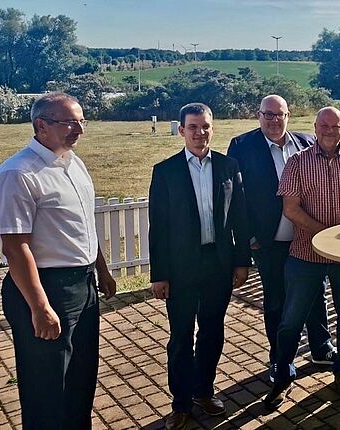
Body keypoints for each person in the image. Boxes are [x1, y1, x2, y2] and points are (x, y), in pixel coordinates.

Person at [0, 92, 117, 430]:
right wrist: (40, 306)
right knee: (46, 386)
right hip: (46, 288)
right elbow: (16, 248)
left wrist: (100, 269)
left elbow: (84, 224)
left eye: (82, 121)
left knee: (80, 376)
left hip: (83, 284)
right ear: (40, 125)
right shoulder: (19, 174)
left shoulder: (73, 163)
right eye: (69, 122)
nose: (79, 130)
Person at [263, 107, 340, 409]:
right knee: (290, 321)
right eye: (324, 125)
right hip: (305, 254)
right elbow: (291, 208)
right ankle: (283, 375)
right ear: (315, 127)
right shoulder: (297, 162)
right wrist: (325, 235)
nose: (329, 130)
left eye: (336, 125)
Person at [148, 103, 251, 430]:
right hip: (180, 270)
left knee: (211, 332)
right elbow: (158, 227)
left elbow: (240, 218)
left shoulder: (229, 166)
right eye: (192, 127)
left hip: (218, 265)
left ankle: (204, 391)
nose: (199, 133)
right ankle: (180, 403)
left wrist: (241, 262)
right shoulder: (165, 171)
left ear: (212, 128)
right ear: (181, 130)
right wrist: (159, 274)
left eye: (205, 126)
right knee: (181, 338)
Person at [227, 95, 335, 377]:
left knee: (315, 292)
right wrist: (249, 236)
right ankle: (279, 357)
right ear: (259, 116)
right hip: (268, 241)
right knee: (276, 301)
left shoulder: (305, 143)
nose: (275, 120)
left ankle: (322, 347)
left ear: (289, 116)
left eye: (280, 115)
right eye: (269, 115)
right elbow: (236, 198)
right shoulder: (242, 146)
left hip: (306, 239)